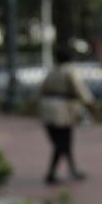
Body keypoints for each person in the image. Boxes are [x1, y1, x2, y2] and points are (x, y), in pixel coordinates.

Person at [38, 44, 96, 184]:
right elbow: (80, 90)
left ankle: (70, 170)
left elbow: (40, 90)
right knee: (63, 144)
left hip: (47, 110)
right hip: (62, 111)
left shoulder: (52, 71)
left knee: (62, 144)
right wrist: (91, 104)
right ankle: (53, 174)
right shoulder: (69, 71)